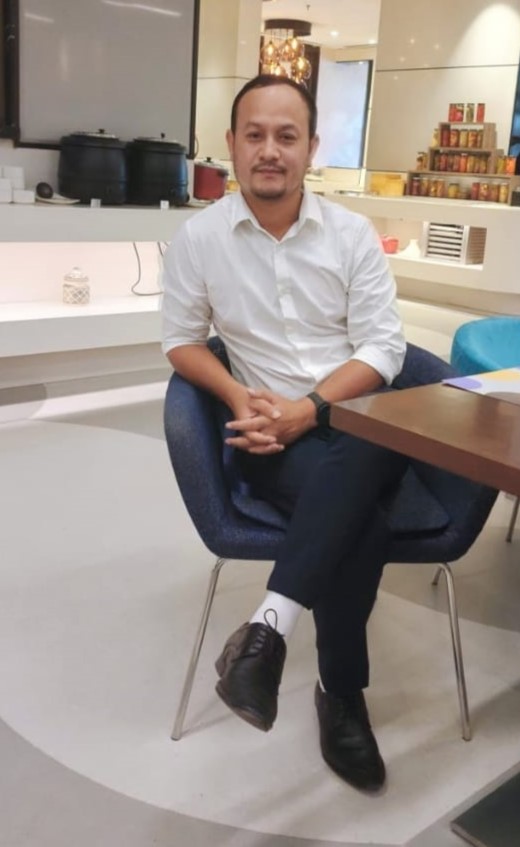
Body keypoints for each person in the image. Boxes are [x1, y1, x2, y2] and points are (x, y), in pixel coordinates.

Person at [161, 74, 408, 792]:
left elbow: (384, 347)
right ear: (233, 144)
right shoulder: (201, 238)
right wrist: (239, 396)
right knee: (360, 524)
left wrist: (312, 406)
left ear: (311, 148)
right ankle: (342, 697)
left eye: (287, 136)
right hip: (270, 439)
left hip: (355, 420)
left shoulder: (351, 234)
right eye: (256, 135)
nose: (270, 150)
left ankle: (268, 629)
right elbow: (181, 341)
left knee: (372, 433)